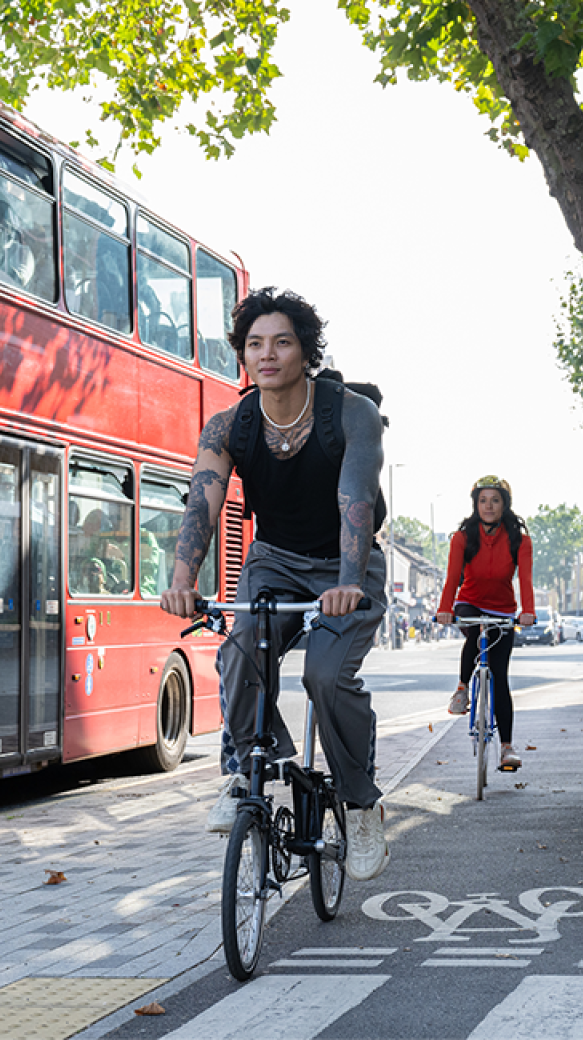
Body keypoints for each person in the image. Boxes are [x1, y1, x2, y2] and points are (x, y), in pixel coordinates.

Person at [159, 287, 390, 883]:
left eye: (282, 342)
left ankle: (361, 805)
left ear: (304, 351)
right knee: (241, 651)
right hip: (275, 561)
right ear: (243, 353)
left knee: (324, 675)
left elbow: (356, 503)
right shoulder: (228, 426)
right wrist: (182, 580)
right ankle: (244, 772)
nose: (267, 354)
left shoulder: (351, 415)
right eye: (254, 343)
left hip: (346, 562)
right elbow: (201, 510)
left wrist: (346, 584)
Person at [434, 476, 536, 773]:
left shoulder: (520, 539)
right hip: (470, 602)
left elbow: (526, 580)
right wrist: (444, 609)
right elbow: (453, 578)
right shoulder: (462, 538)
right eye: (483, 500)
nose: (488, 506)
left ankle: (506, 748)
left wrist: (527, 611)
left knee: (501, 678)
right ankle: (463, 688)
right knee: (477, 633)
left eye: (495, 500)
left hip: (503, 608)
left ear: (504, 504)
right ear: (475, 504)